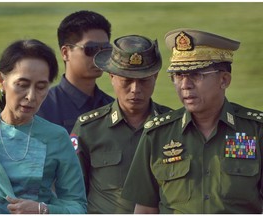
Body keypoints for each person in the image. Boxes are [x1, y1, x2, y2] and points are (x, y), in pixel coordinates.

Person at [121, 28, 263, 213]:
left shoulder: (256, 131)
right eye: (178, 76)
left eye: (196, 75)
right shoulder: (157, 134)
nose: (185, 85)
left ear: (224, 80)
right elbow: (145, 209)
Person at [0, 39, 87, 214]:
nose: (31, 96)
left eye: (41, 87)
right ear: (1, 80)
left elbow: (77, 205)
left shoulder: (56, 137)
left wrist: (43, 210)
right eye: (22, 85)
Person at [71, 34, 173, 213]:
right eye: (127, 81)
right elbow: (72, 190)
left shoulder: (173, 126)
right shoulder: (88, 128)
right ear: (112, 77)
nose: (135, 89)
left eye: (143, 81)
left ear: (155, 77)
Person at [37, 10, 114, 134]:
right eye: (91, 49)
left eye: (105, 49)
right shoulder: (41, 108)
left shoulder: (113, 107)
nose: (99, 56)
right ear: (65, 53)